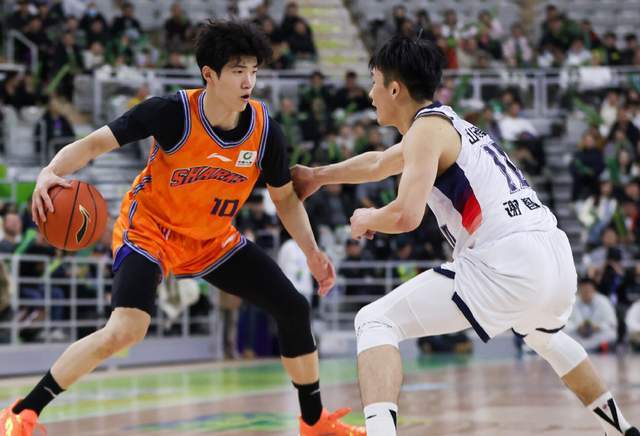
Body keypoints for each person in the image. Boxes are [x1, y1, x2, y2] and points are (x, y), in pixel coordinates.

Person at [0, 20, 364, 436]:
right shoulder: (171, 112)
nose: (248, 81)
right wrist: (50, 171)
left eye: (253, 70)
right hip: (150, 230)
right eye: (238, 71)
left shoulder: (266, 132)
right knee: (126, 329)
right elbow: (94, 144)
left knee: (294, 307)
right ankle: (23, 411)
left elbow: (285, 200)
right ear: (209, 74)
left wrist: (312, 253)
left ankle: (313, 422)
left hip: (210, 238)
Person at [291, 35, 639, 436]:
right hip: (554, 256)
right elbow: (379, 163)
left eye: (374, 83)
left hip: (507, 257)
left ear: (394, 88)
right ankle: (622, 430)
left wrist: (367, 217)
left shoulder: (426, 131)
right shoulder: (446, 124)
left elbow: (405, 216)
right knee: (544, 336)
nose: (370, 94)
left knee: (375, 320)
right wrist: (317, 176)